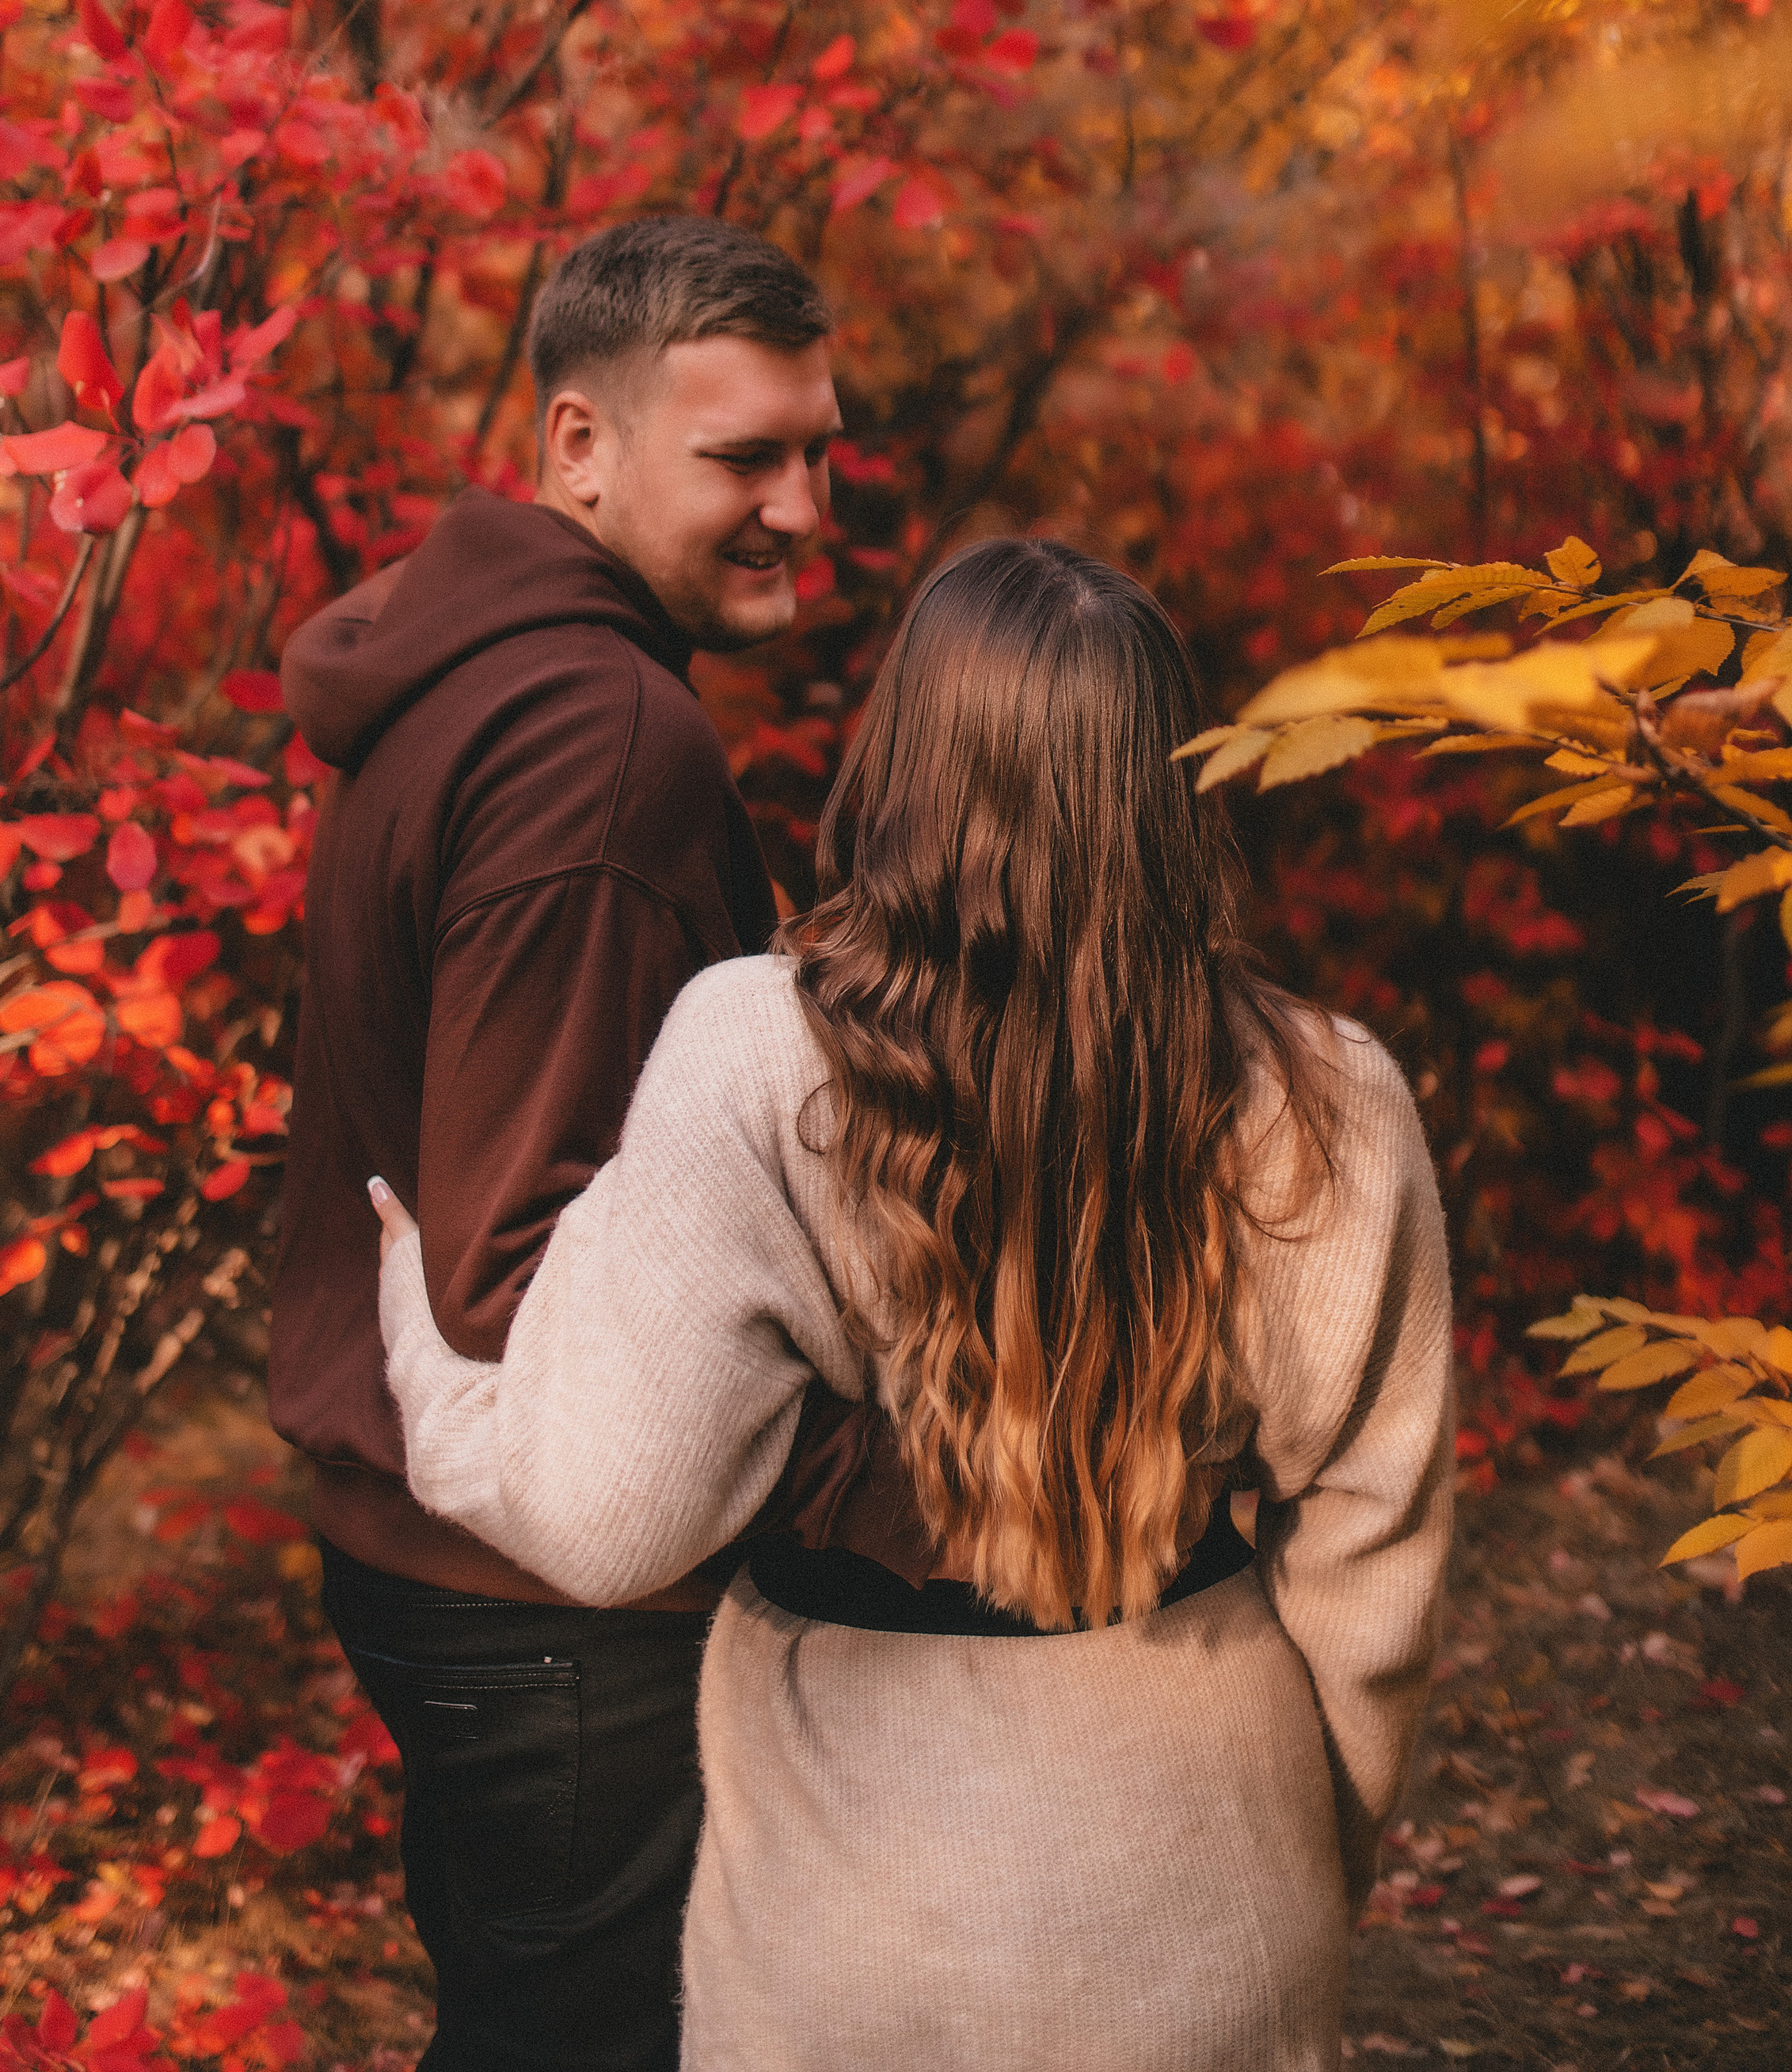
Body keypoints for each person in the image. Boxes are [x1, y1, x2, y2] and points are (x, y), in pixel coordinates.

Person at [372, 538, 1455, 2072]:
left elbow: (607, 1518)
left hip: (852, 1944)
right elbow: (1372, 1556)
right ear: (1174, 785)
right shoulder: (1328, 1095)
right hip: (1210, 1879)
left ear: (899, 763)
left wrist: (434, 1375)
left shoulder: (754, 1054)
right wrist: (1308, 1837)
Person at [268, 215, 842, 2072]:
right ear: (577, 447)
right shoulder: (603, 734)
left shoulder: (474, 682)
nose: (801, 508)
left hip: (450, 1565)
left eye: (816, 452)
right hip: (557, 1607)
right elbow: (524, 1272)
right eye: (743, 457)